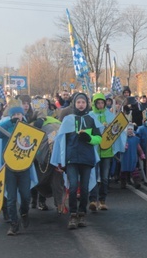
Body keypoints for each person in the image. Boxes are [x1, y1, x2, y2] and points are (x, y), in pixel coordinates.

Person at [50, 92, 101, 229]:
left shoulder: (91, 118)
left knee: (84, 188)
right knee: (73, 187)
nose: (80, 105)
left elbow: (99, 138)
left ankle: (82, 213)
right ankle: (73, 214)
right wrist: (61, 160)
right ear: (74, 104)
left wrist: (89, 139)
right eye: (78, 102)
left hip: (86, 158)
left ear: (87, 104)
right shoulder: (68, 119)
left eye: (83, 102)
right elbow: (61, 141)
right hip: (71, 158)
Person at [0, 106, 32, 236]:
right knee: (11, 197)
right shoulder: (6, 127)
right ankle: (14, 224)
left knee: (26, 195)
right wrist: (10, 122)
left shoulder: (27, 127)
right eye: (14, 114)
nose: (16, 116)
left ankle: (24, 212)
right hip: (9, 166)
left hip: (24, 166)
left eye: (18, 114)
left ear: (22, 115)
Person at [89, 92, 116, 211]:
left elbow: (116, 130)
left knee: (104, 177)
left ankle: (102, 200)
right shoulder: (90, 115)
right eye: (98, 103)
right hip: (94, 150)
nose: (100, 105)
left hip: (107, 150)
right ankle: (93, 200)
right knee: (93, 176)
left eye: (102, 102)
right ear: (94, 103)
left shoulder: (109, 115)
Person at [119, 124, 145, 189]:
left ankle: (137, 183)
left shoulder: (136, 139)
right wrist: (122, 147)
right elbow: (118, 146)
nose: (130, 131)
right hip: (124, 157)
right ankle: (123, 183)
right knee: (123, 171)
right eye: (128, 129)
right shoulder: (123, 139)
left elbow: (138, 147)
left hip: (133, 156)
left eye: (131, 129)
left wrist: (141, 154)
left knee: (134, 170)